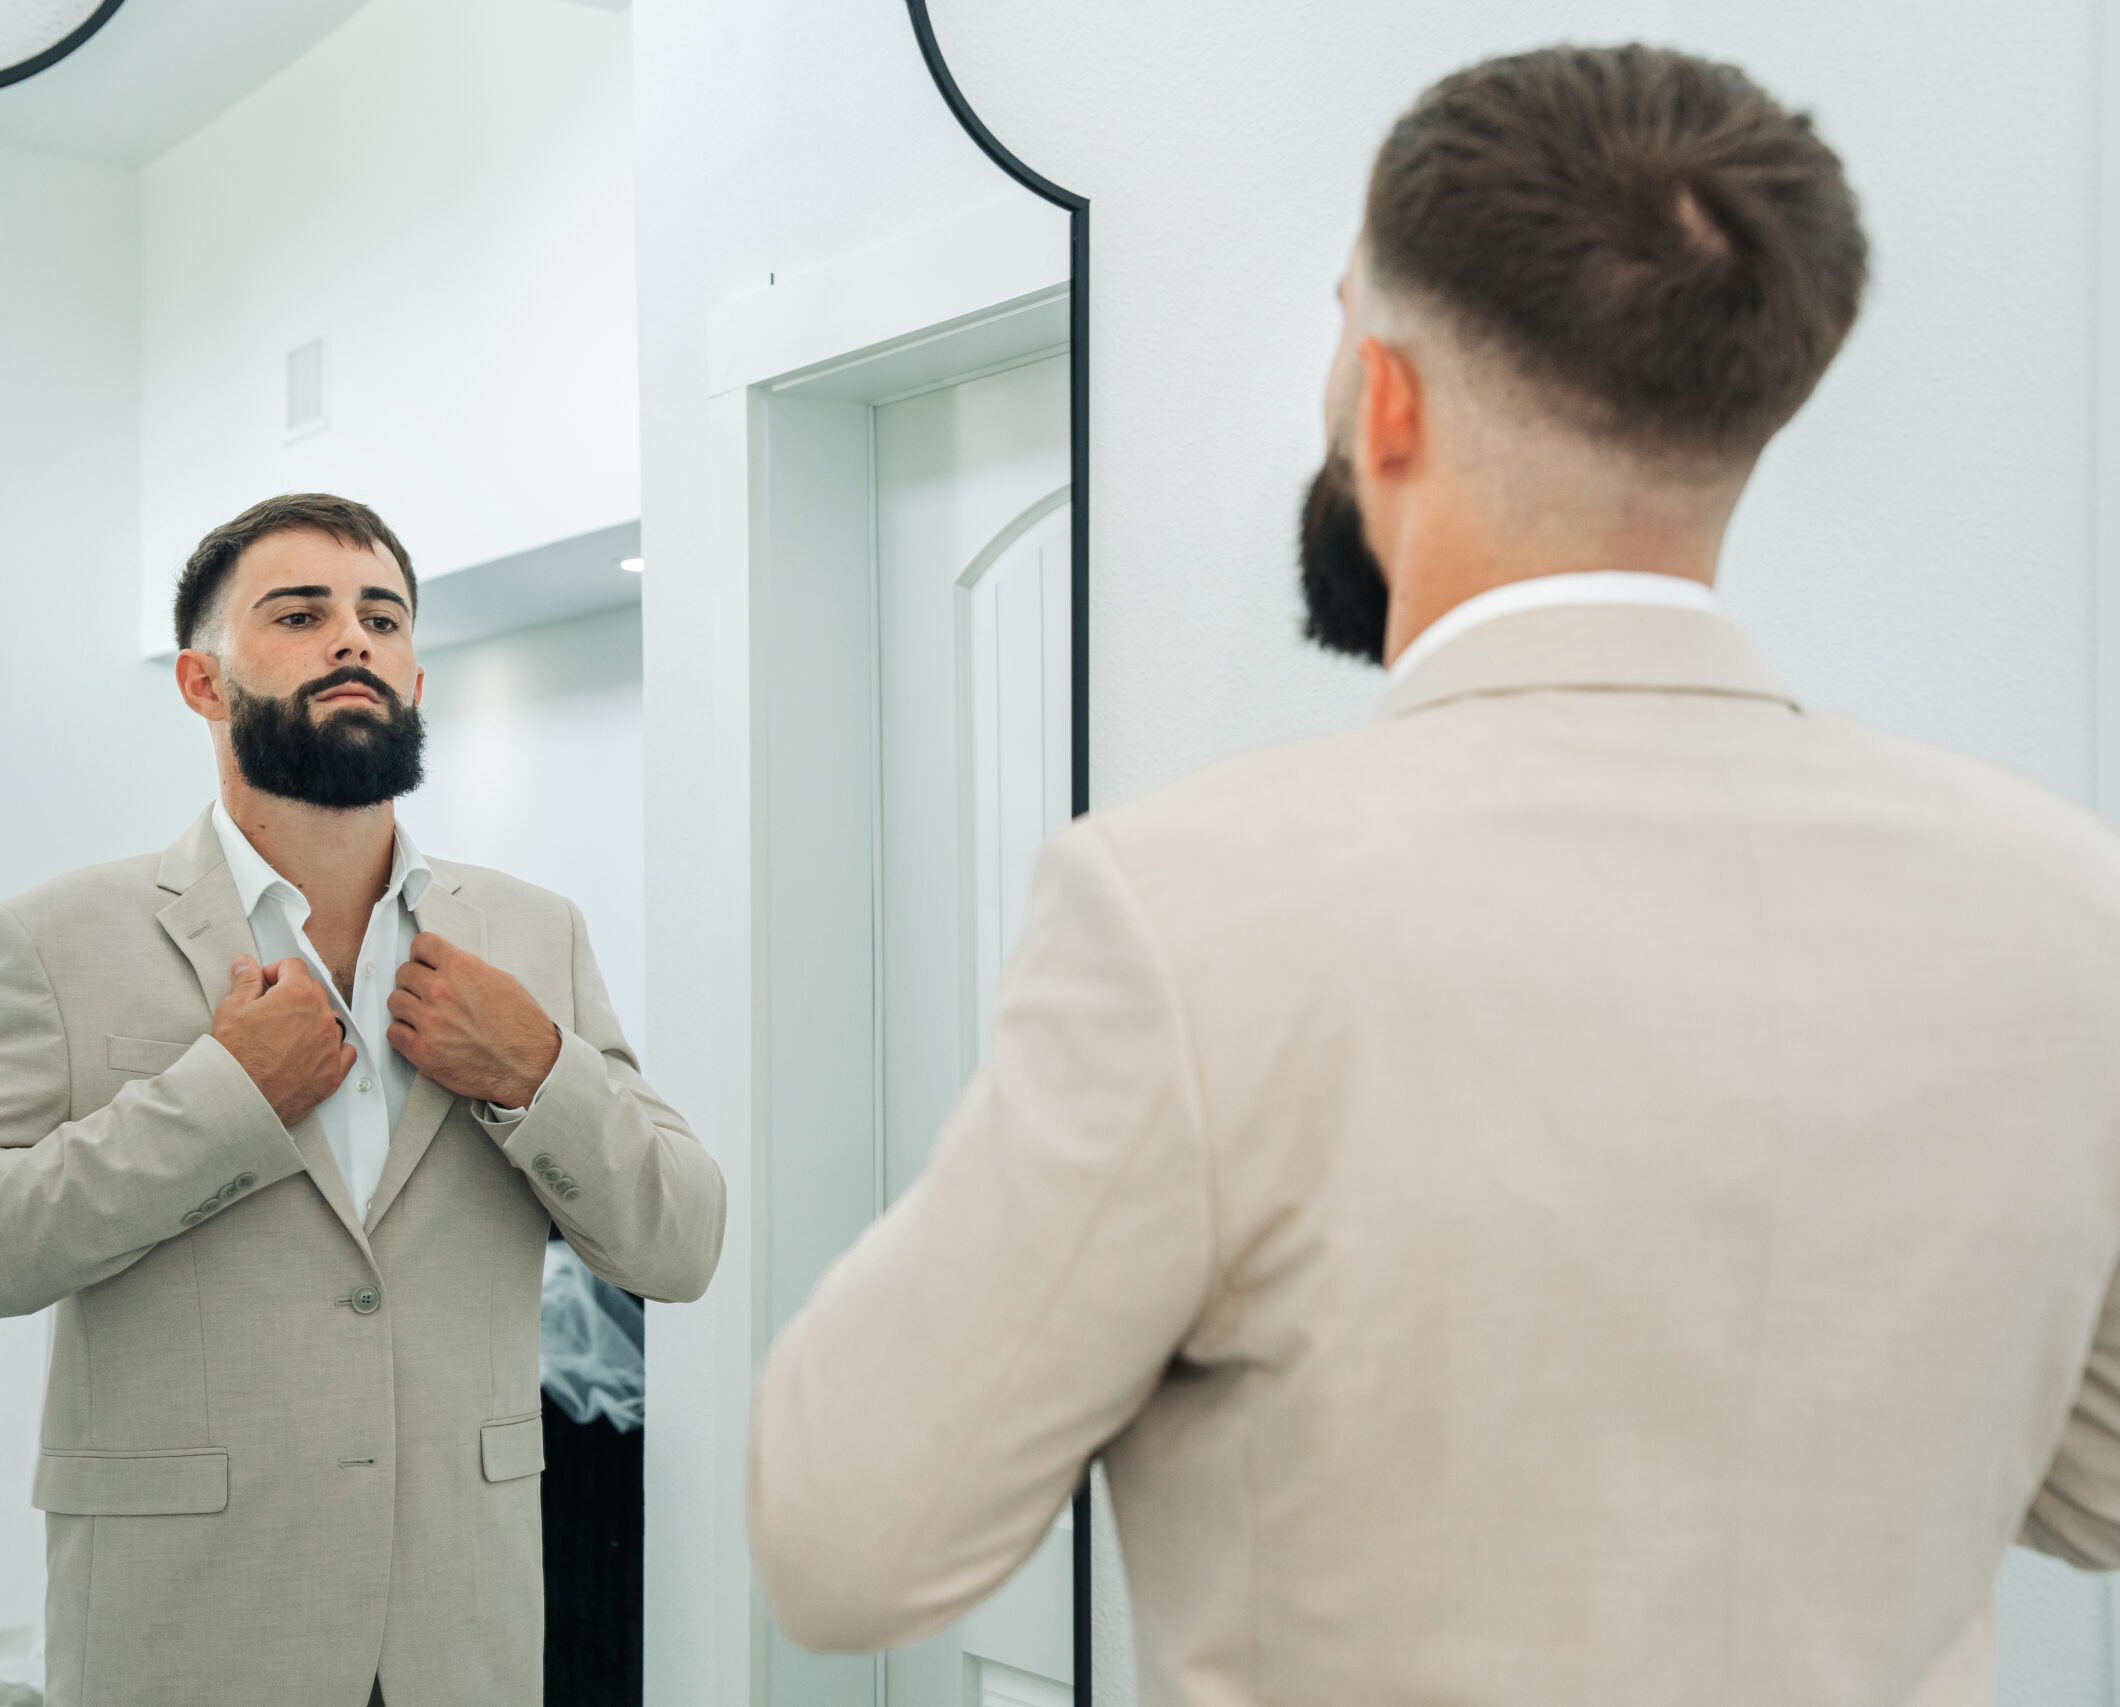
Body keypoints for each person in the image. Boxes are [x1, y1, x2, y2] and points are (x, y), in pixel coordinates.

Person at [748, 44, 2120, 1706]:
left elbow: (845, 1539)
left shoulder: (1188, 914)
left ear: (1385, 396)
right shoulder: (2068, 906)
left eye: (1340, 325)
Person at [0, 492, 724, 1707]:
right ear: (202, 685)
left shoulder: (534, 935)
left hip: (459, 1633)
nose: (352, 639)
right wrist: (221, 1104)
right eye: (299, 613)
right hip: (188, 1630)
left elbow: (680, 1243)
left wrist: (537, 1074)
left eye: (382, 616)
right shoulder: (50, 944)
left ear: (415, 680)